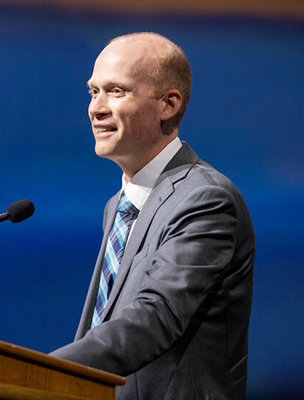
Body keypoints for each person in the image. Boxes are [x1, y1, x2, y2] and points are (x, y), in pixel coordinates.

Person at [50, 32, 254, 400]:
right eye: (93, 91)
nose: (95, 108)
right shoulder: (119, 205)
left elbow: (154, 317)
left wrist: (36, 374)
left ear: (168, 104)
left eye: (116, 91)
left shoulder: (205, 199)